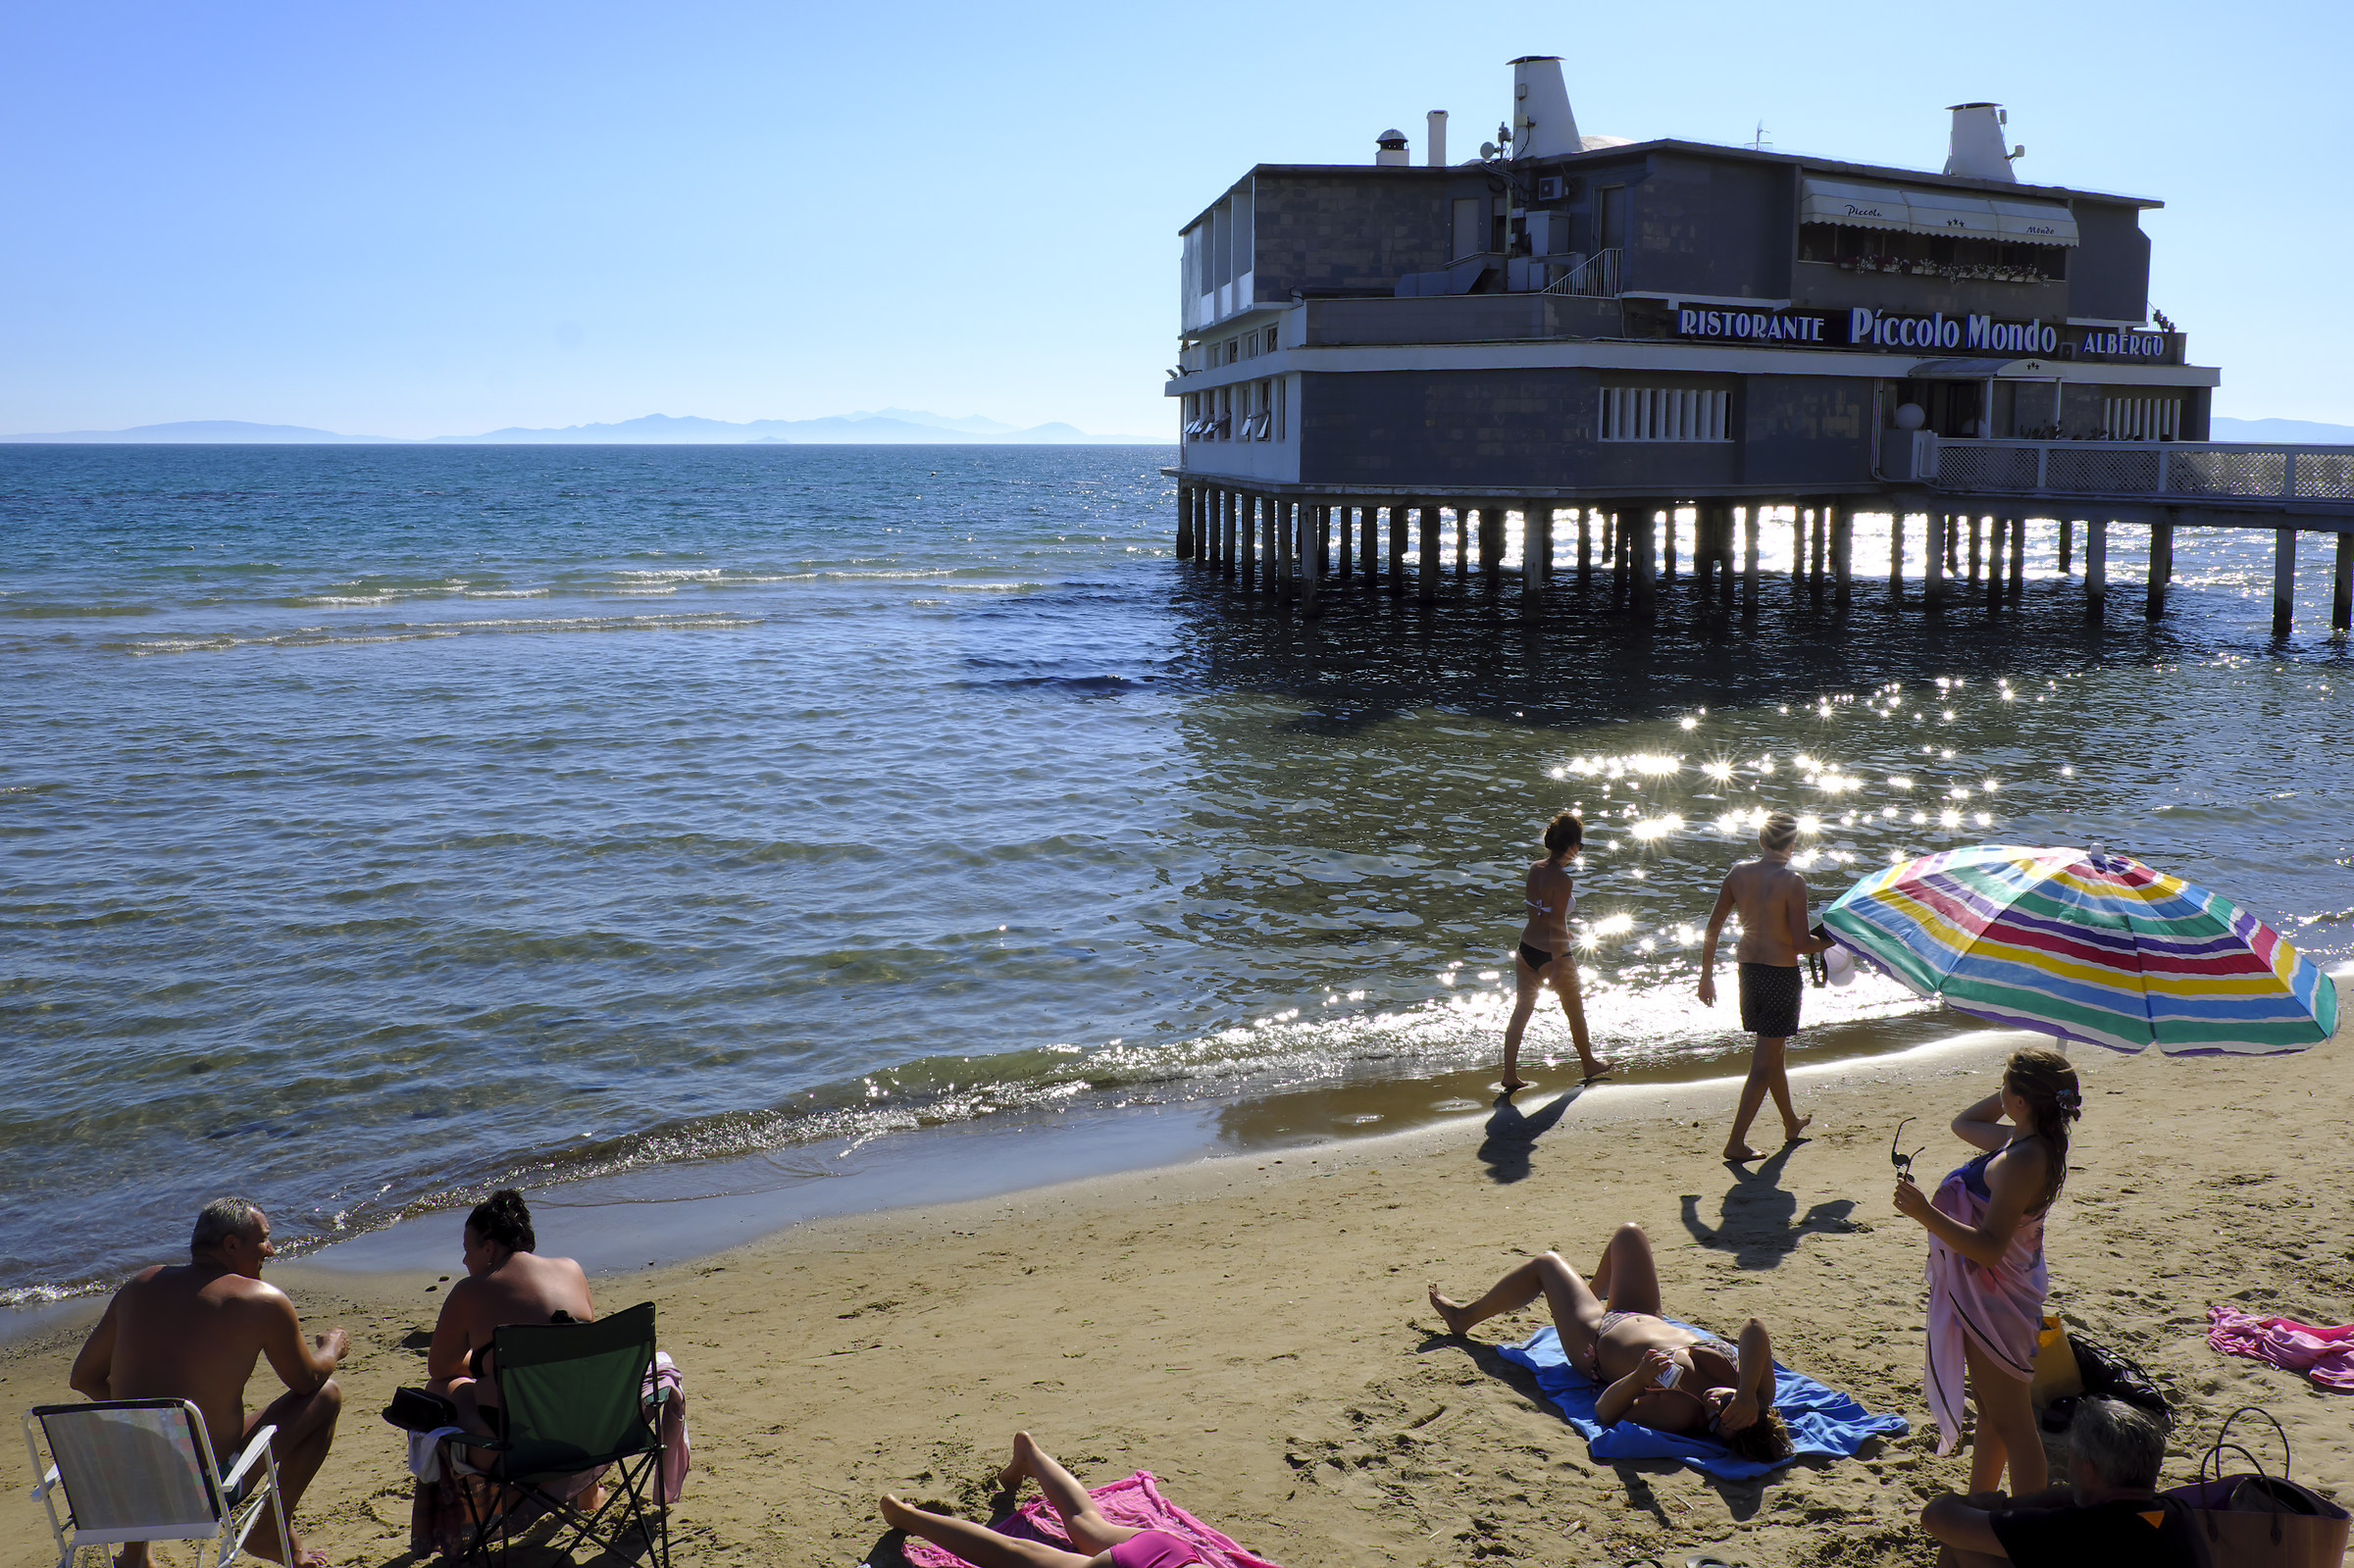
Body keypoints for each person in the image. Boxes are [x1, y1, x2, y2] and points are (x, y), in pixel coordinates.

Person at [69, 1197, 346, 1568]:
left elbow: (83, 1378)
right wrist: (331, 1349)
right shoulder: (262, 1301)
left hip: (125, 1492)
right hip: (199, 1492)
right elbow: (306, 1380)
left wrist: (150, 1419)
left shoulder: (140, 1285)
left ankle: (135, 1554)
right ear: (231, 1245)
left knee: (150, 1432)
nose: (272, 1249)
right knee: (325, 1395)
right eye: (263, 1239)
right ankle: (270, 1531)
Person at [1426, 1223, 1792, 1463]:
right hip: (1646, 1314)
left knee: (1547, 1264)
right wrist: (1745, 1394)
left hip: (1596, 1340)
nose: (1716, 1404)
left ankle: (1464, 1317)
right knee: (1628, 1235)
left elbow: (1604, 1412)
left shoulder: (1680, 1412)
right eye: (1726, 1404)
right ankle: (1584, 1295)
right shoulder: (1755, 1392)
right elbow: (1754, 1326)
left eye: (1718, 1420)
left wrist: (1638, 1377)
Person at [1893, 1048, 2082, 1498]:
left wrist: (1924, 1213)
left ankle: (2029, 1524)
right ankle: (1981, 1501)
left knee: (2015, 1424)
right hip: (1996, 1291)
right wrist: (2017, 1091)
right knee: (1994, 1413)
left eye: (2004, 1086)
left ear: (2021, 1101)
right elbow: (1962, 1124)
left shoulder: (2022, 1158)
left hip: (1997, 1297)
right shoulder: (2027, 1140)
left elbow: (1991, 1248)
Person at [1696, 809, 1833, 1161]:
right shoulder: (1793, 882)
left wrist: (1706, 975)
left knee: (1773, 1053)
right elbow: (1801, 944)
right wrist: (1832, 941)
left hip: (1749, 973)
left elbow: (1712, 926)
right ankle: (1735, 1142)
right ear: (1792, 844)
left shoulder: (1738, 873)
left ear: (1760, 841)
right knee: (1763, 1062)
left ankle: (1790, 1122)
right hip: (1779, 977)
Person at [1919, 1396, 2198, 1566]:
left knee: (1959, 1543)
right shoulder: (2179, 1514)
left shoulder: (2072, 1532)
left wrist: (1995, 1502)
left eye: (2072, 1452)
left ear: (2088, 1468)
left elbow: (1936, 1516)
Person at [880, 1430, 1204, 1568]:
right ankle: (904, 1516)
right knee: (1014, 1554)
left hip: (1172, 1550)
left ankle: (1030, 1455)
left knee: (1086, 1523)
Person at [425, 1189, 595, 1442]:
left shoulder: (469, 1292)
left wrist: (485, 1362)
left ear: (488, 1249)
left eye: (467, 1249)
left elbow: (440, 1368)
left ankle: (486, 1462)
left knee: (439, 1389)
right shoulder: (572, 1269)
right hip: (583, 1425)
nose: (464, 1260)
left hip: (520, 1437)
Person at [1499, 809, 1613, 1090]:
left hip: (1526, 949)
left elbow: (1539, 913)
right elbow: (1557, 922)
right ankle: (1588, 1063)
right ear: (1572, 846)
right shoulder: (1564, 880)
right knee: (1574, 1010)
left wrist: (1560, 929)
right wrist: (1562, 961)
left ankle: (1509, 1075)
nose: (1579, 850)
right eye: (1580, 845)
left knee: (1521, 1011)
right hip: (1553, 954)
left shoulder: (1535, 868)